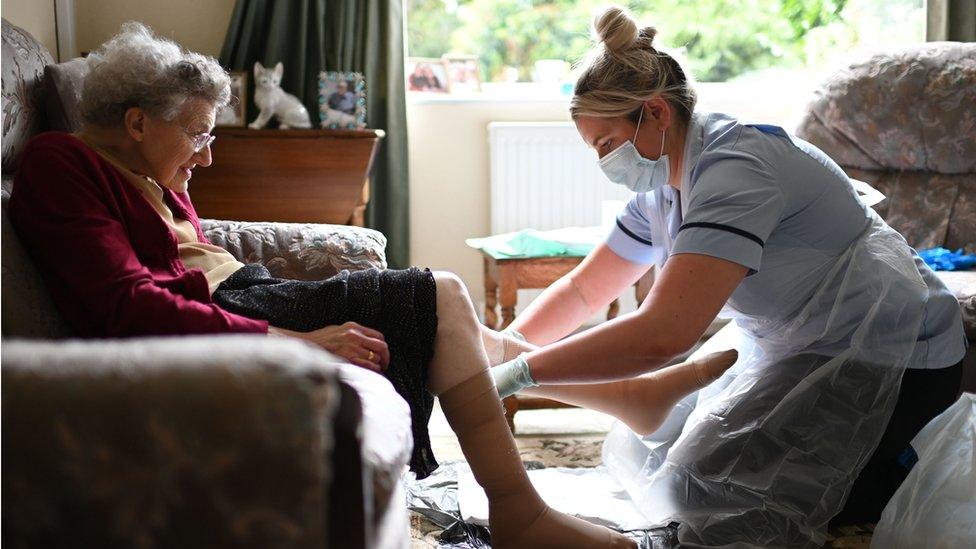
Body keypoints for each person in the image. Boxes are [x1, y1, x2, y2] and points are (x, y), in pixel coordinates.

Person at [9, 22, 739, 548]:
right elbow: (126, 302)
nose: (206, 155)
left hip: (244, 293)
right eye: (199, 133)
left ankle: (625, 402)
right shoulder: (58, 164)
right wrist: (297, 341)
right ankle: (522, 505)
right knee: (443, 295)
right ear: (135, 122)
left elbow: (192, 254)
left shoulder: (146, 168)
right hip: (230, 311)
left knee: (452, 319)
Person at [486, 5, 967, 547]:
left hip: (894, 355)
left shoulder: (736, 168)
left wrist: (522, 373)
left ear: (656, 113)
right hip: (803, 342)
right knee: (654, 453)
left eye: (605, 144)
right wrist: (506, 348)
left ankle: (891, 471)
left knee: (703, 491)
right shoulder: (664, 187)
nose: (604, 161)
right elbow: (582, 289)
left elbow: (665, 333)